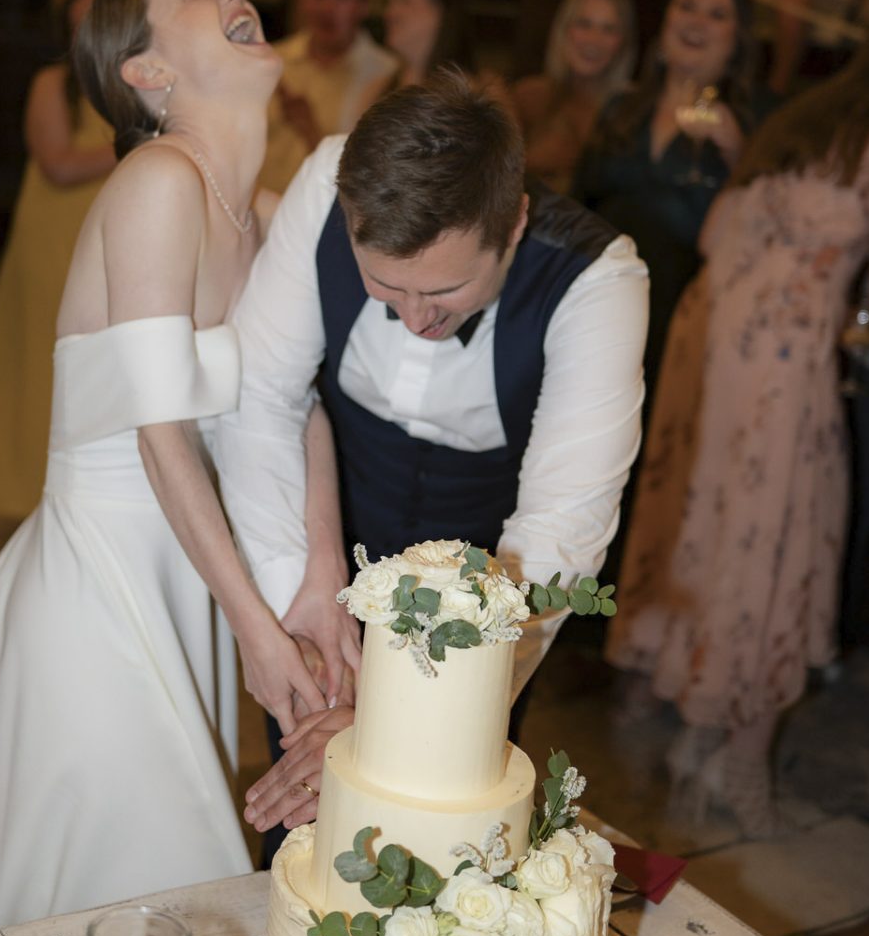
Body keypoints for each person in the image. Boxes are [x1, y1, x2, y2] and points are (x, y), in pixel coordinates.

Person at [0, 0, 358, 936]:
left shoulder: (260, 212)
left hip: (184, 571)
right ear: (145, 73)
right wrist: (256, 630)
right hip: (99, 585)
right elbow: (159, 431)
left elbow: (296, 406)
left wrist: (323, 576)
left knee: (128, 901)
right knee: (136, 890)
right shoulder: (155, 181)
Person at [215, 71, 649, 835]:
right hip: (316, 540)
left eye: (443, 296)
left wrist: (405, 715)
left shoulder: (599, 281)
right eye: (386, 289)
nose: (413, 320)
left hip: (485, 595)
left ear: (512, 224)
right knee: (301, 826)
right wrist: (304, 614)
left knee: (438, 832)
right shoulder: (329, 180)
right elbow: (260, 402)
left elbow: (559, 537)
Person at [604, 37, 869, 837]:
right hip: (784, 365)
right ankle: (738, 757)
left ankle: (702, 736)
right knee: (785, 540)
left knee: (723, 526)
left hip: (720, 338)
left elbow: (720, 232)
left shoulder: (808, 122)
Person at [0, 0, 116, 519]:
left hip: (108, 241)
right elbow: (57, 164)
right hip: (51, 241)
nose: (89, 34)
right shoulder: (53, 82)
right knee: (42, 371)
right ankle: (33, 496)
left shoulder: (133, 83)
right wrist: (137, 142)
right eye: (78, 24)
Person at [574, 0, 754, 406]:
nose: (696, 21)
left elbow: (762, 222)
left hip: (682, 316)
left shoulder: (752, 119)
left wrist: (735, 149)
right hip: (598, 304)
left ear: (737, 42)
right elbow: (579, 202)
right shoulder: (623, 107)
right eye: (687, 6)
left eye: (716, 14)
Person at [258, 0, 397, 193]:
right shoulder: (269, 61)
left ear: (363, 6)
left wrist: (309, 128)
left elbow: (375, 177)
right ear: (302, 1)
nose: (327, 9)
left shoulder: (386, 74)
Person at [512, 0, 637, 194]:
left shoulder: (633, 109)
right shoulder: (529, 95)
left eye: (609, 29)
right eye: (584, 24)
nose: (593, 40)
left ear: (623, 42)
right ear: (564, 29)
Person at [358, 0, 471, 105]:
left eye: (405, 1)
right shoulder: (377, 90)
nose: (389, 13)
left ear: (439, 12)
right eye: (390, 2)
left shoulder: (472, 92)